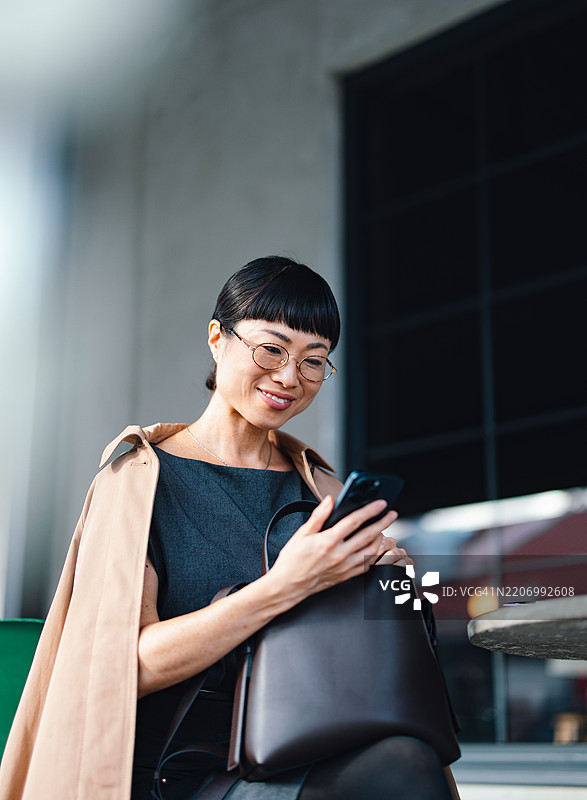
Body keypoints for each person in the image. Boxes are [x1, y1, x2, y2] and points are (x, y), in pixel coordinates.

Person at [0, 256, 459, 800]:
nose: (289, 377)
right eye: (271, 349)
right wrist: (284, 586)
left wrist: (390, 586)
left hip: (309, 741)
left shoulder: (320, 488)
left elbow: (353, 647)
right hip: (181, 770)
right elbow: (126, 666)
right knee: (404, 771)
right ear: (218, 338)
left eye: (314, 361)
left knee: (412, 759)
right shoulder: (140, 480)